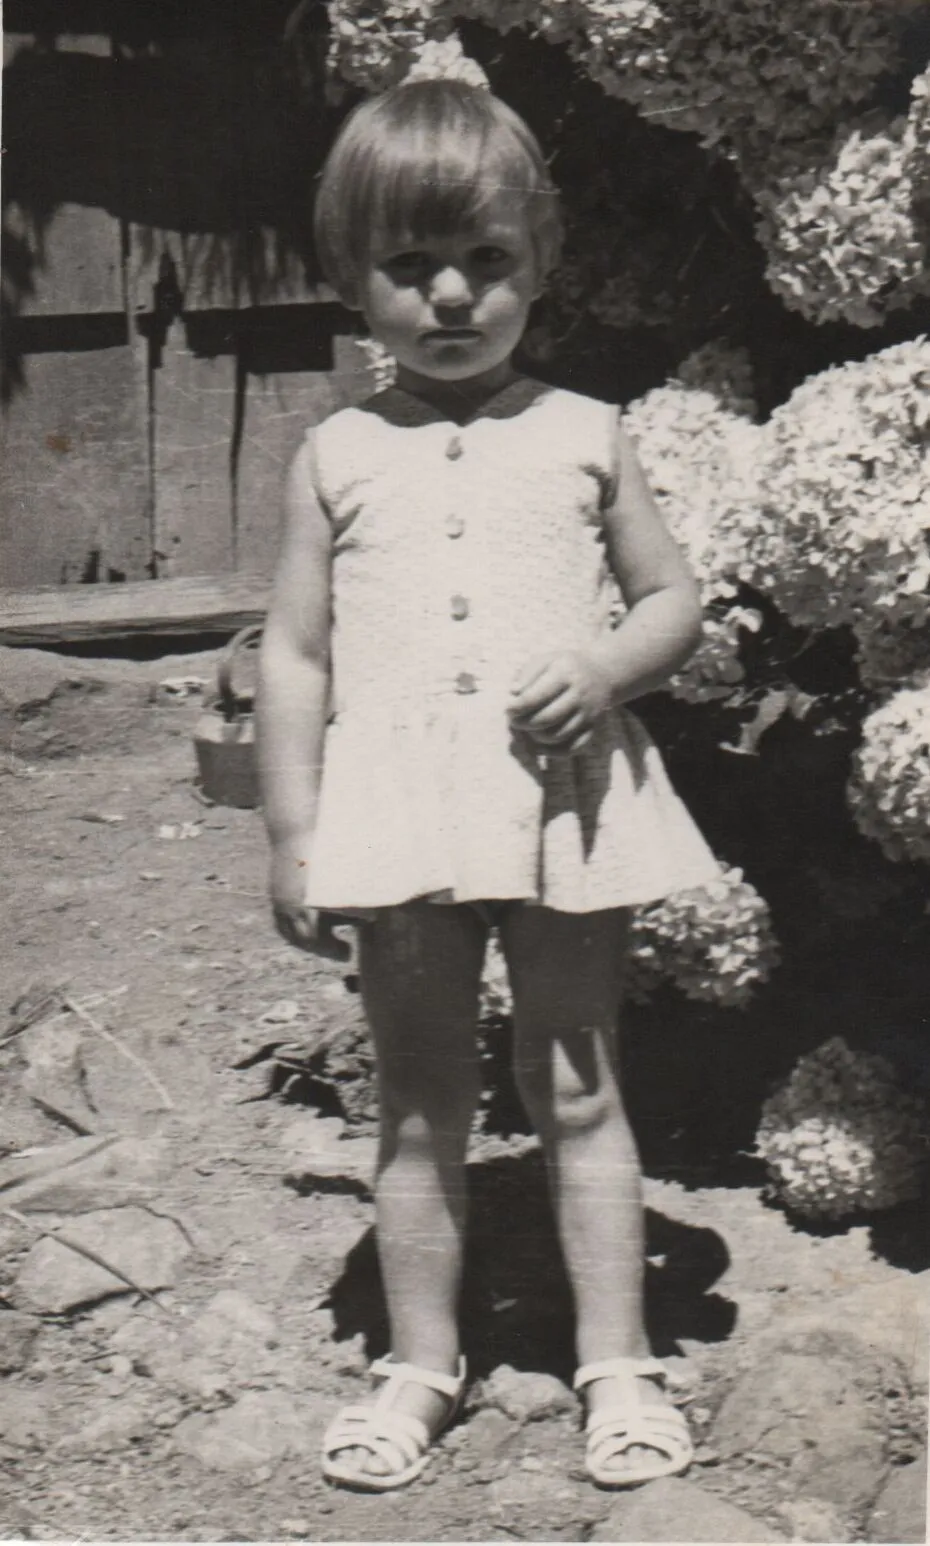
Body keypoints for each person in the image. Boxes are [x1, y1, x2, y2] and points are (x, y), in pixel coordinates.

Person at [256, 77, 721, 1494]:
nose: (451, 296)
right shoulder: (333, 453)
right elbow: (292, 649)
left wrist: (602, 665)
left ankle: (617, 1359)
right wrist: (292, 826)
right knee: (413, 1098)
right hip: (398, 813)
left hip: (559, 802)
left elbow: (672, 598)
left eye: (487, 263)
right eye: (408, 267)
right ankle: (417, 1361)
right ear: (351, 276)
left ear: (540, 261)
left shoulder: (587, 428)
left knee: (576, 1079)